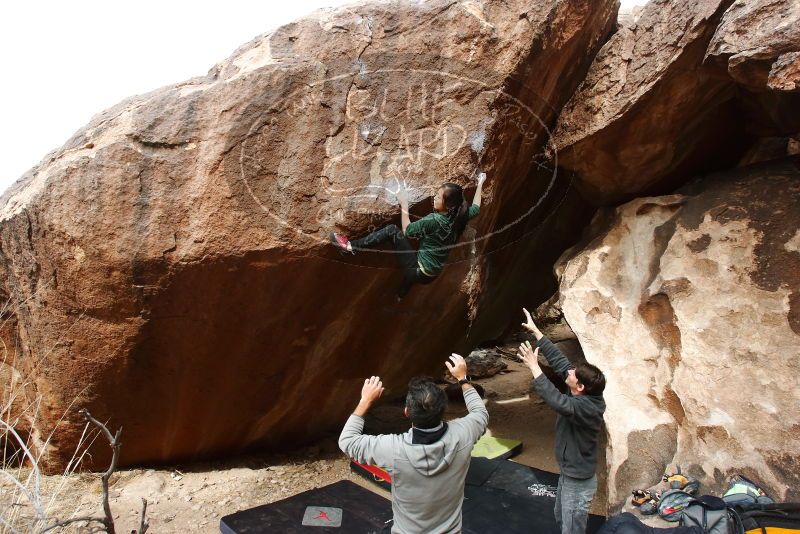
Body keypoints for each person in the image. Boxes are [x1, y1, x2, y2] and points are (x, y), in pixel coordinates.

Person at [338, 354, 489, 534]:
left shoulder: (393, 449)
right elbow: (480, 412)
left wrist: (365, 401)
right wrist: (463, 379)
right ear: (444, 409)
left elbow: (347, 441)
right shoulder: (464, 434)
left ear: (406, 412)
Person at [517, 308, 606, 534]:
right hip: (569, 473)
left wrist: (534, 367)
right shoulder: (580, 391)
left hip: (579, 480)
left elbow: (557, 401)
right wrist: (537, 332)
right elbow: (559, 361)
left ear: (580, 387)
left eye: (573, 374)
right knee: (560, 517)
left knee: (572, 528)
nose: (569, 372)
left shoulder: (586, 407)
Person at [330, 172, 486, 299]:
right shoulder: (460, 216)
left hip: (418, 270)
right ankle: (401, 294)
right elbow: (477, 208)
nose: (434, 197)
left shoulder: (435, 220)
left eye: (438, 197)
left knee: (392, 230)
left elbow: (407, 230)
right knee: (415, 254)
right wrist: (480, 183)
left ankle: (349, 247)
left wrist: (404, 205)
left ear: (449, 205)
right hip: (433, 274)